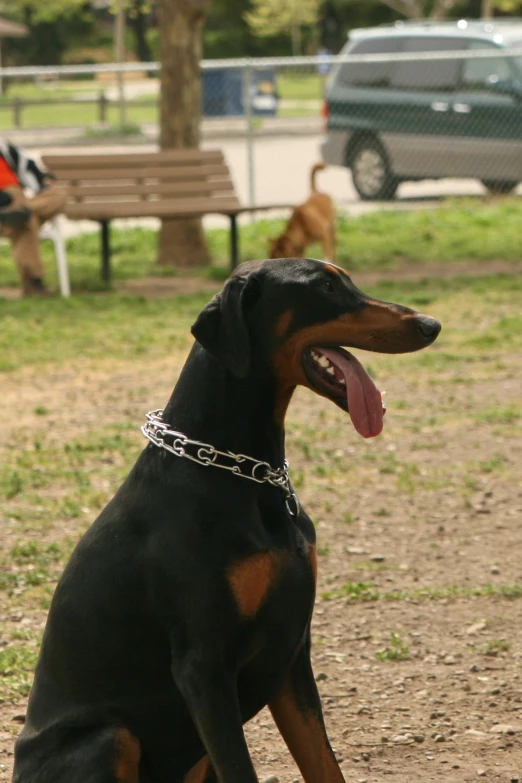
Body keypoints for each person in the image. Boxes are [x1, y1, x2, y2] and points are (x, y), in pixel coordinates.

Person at [0, 139, 68, 296]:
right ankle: (34, 284)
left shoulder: (5, 149)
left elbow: (32, 169)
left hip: (22, 203)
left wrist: (45, 180)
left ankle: (21, 211)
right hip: (4, 206)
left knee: (59, 194)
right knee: (28, 221)